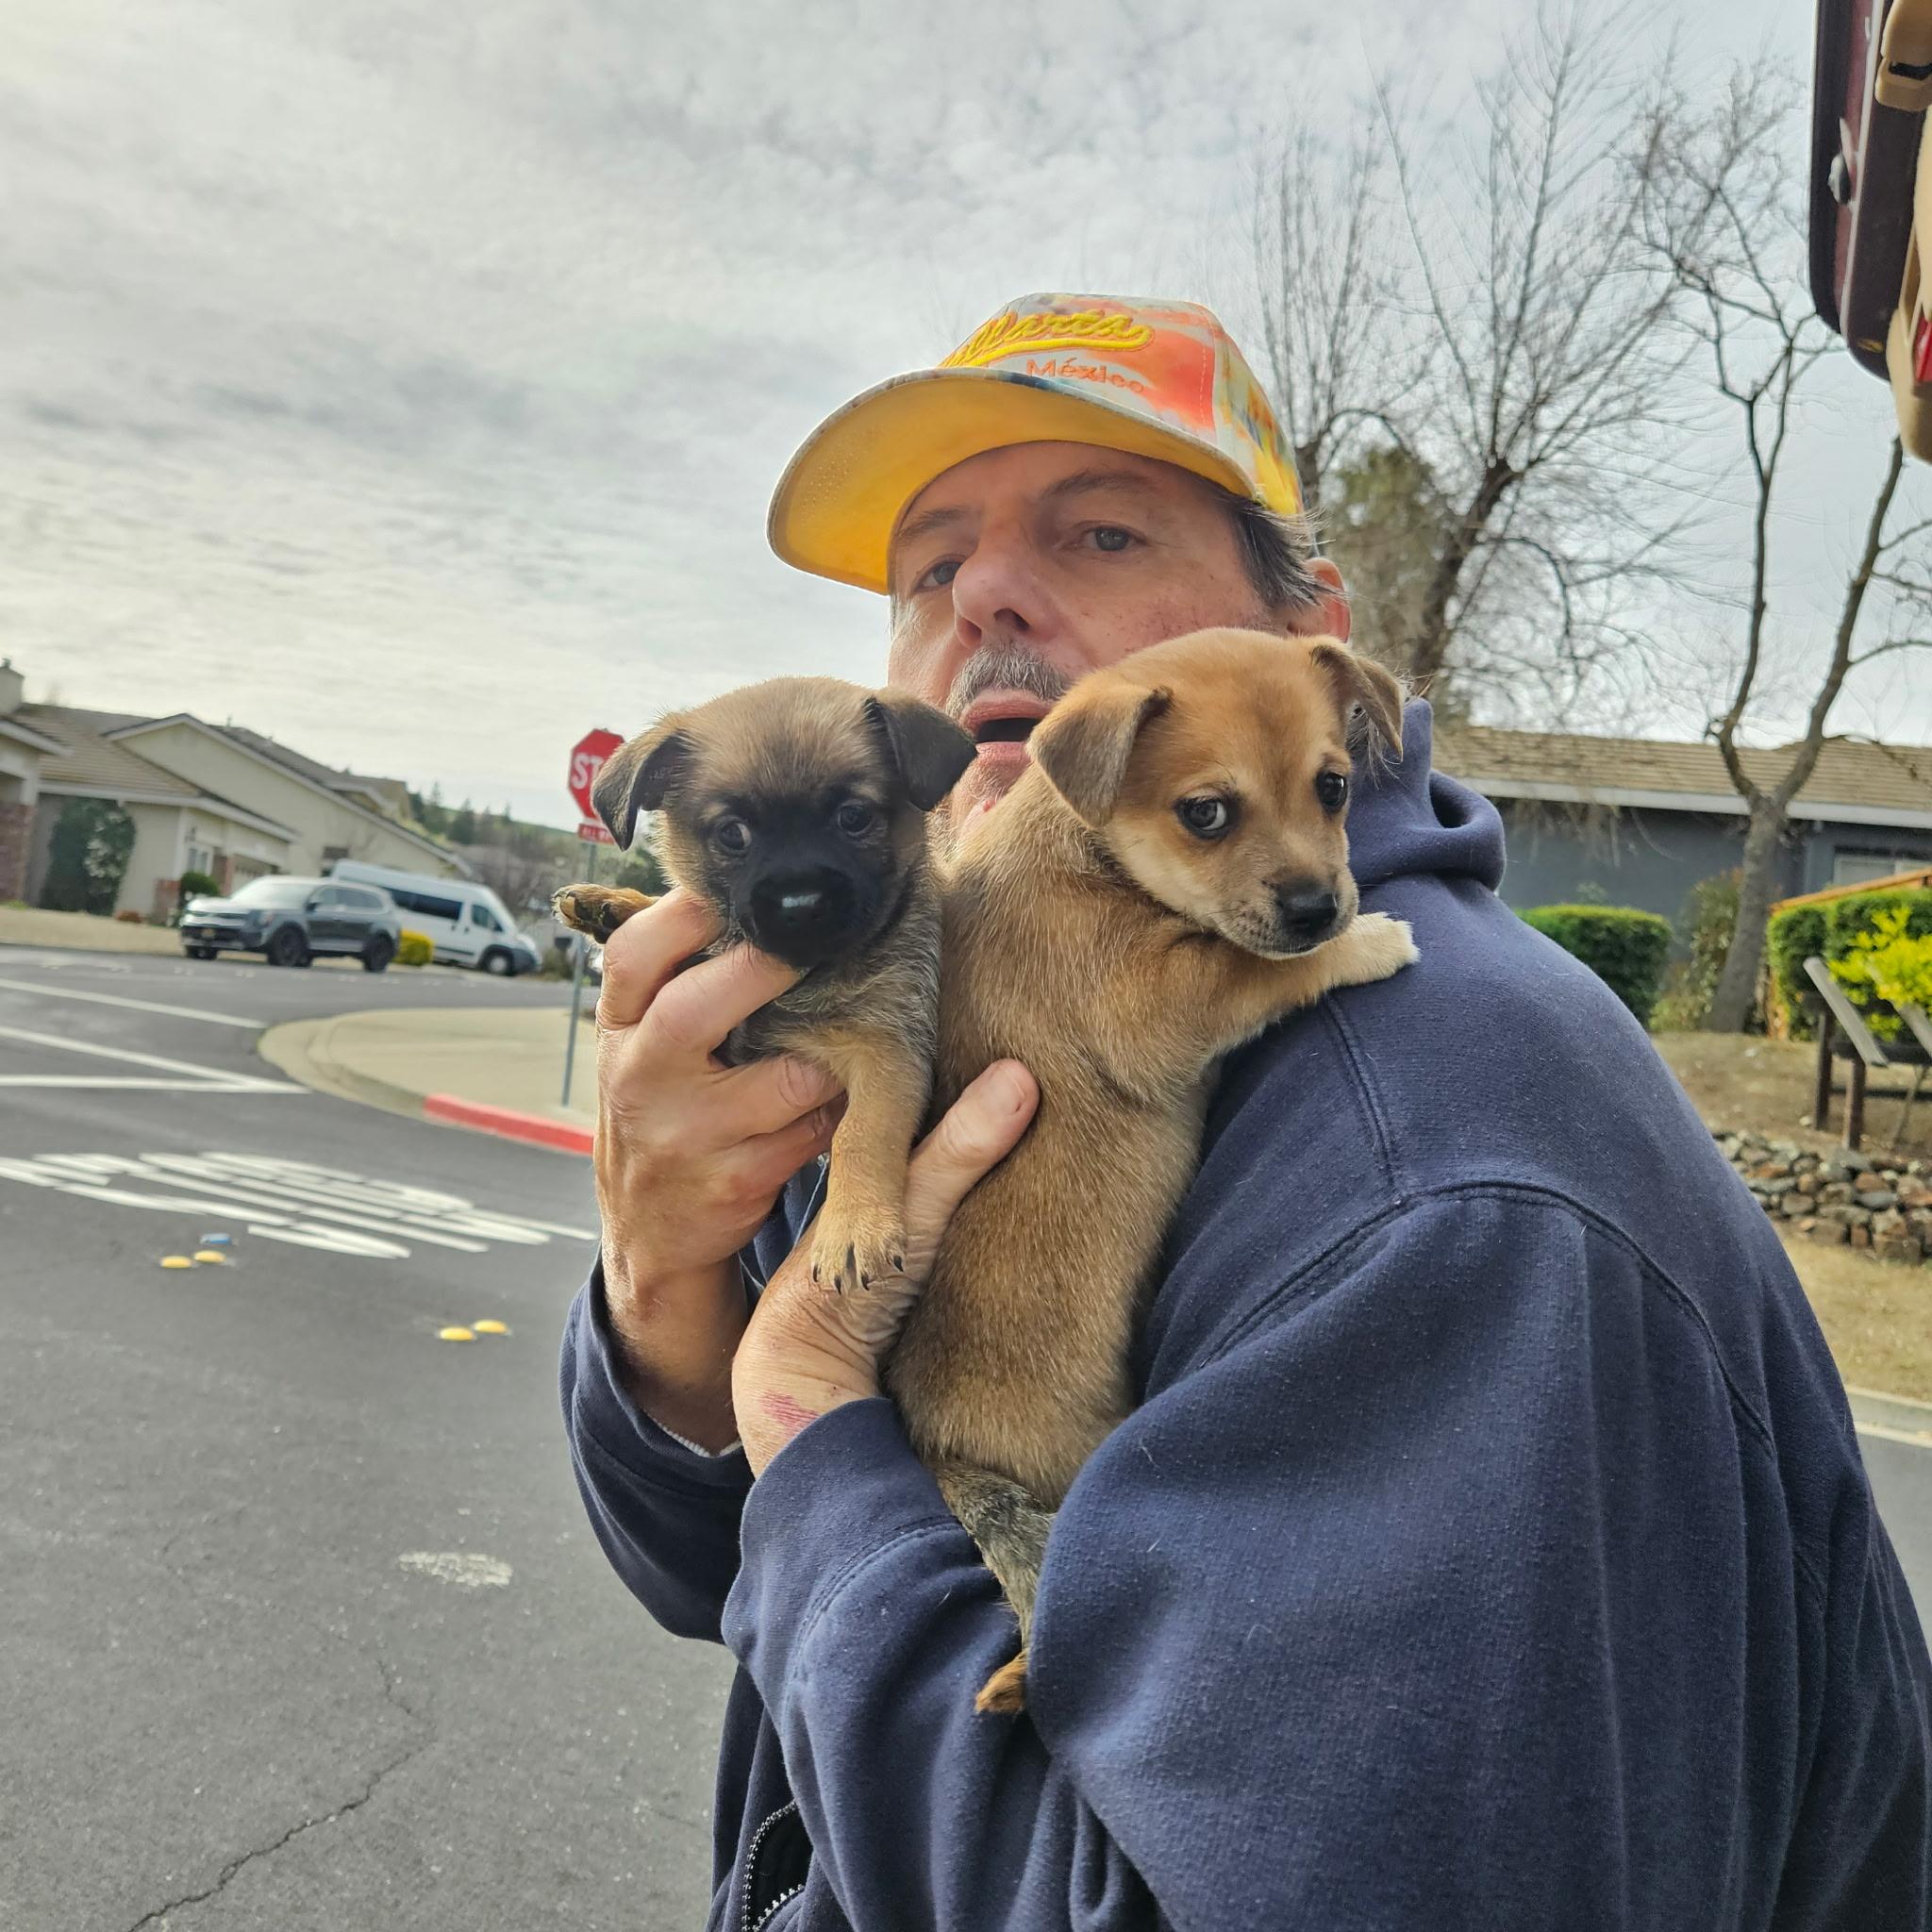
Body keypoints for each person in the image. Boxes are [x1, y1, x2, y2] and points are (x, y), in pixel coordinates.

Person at [561, 294, 1932, 1929]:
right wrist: (666, 1297)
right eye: (928, 565)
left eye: (1104, 528)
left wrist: (798, 1398)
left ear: (1311, 648)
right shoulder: (929, 976)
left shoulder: (1443, 1169)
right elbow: (719, 1578)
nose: (984, 592)